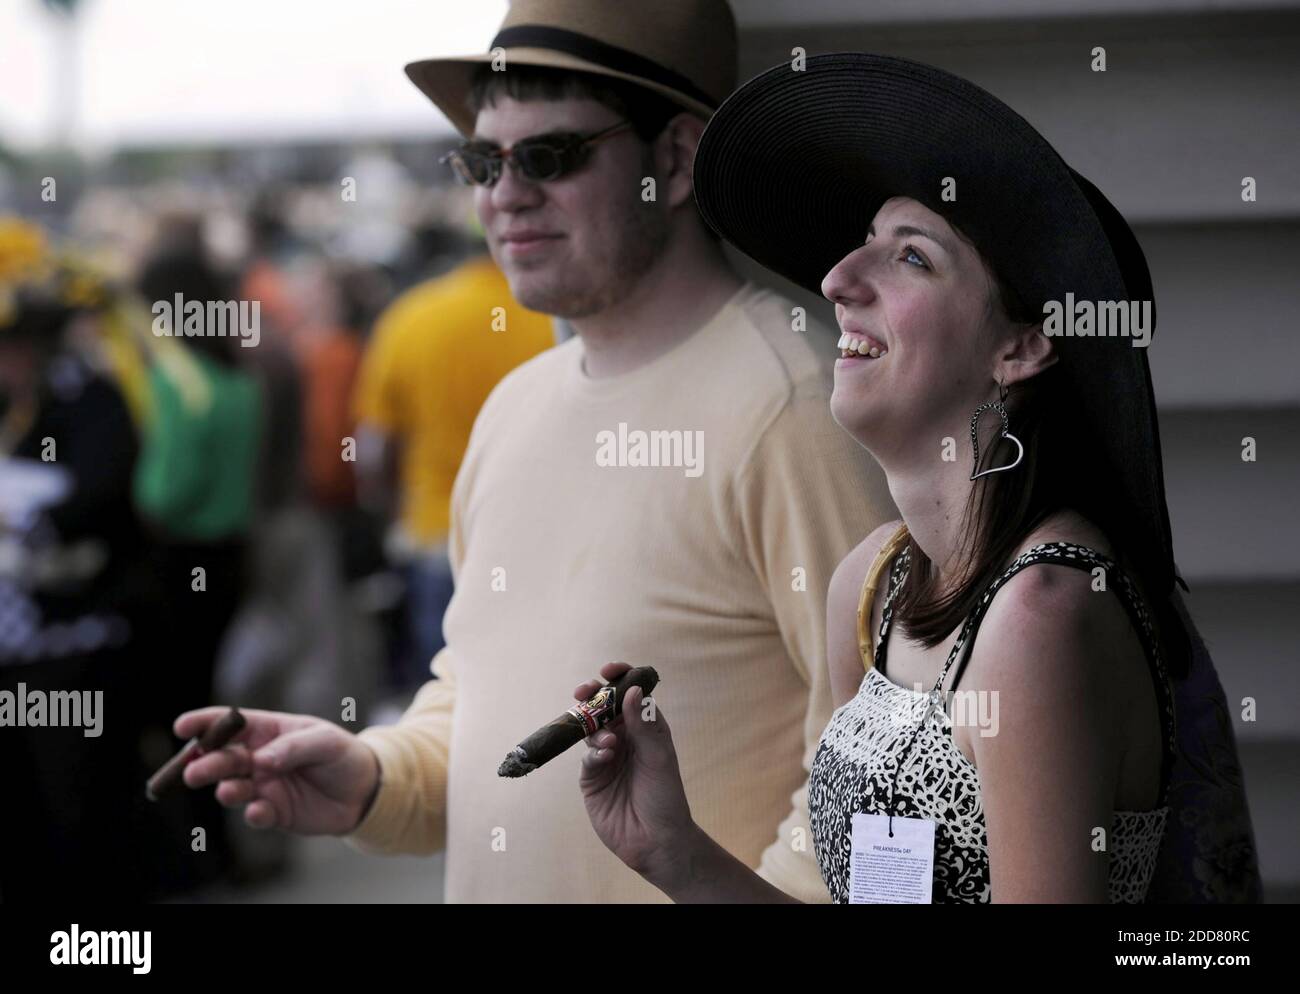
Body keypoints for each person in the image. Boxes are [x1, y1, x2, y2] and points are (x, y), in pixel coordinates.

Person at [176, 0, 893, 903]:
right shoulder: (517, 406)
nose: (503, 193)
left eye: (549, 156)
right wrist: (368, 775)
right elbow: (477, 702)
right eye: (482, 159)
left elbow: (879, 779)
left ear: (673, 159)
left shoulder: (797, 408)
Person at [578, 53, 1259, 903]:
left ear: (1022, 347)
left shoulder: (1041, 616)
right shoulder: (870, 586)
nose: (836, 280)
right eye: (862, 245)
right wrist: (675, 853)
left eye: (910, 259)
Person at [352, 252, 554, 691]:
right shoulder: (552, 317)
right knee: (531, 691)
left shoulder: (413, 315)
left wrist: (391, 520)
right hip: (536, 540)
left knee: (445, 694)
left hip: (436, 538)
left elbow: (374, 450)